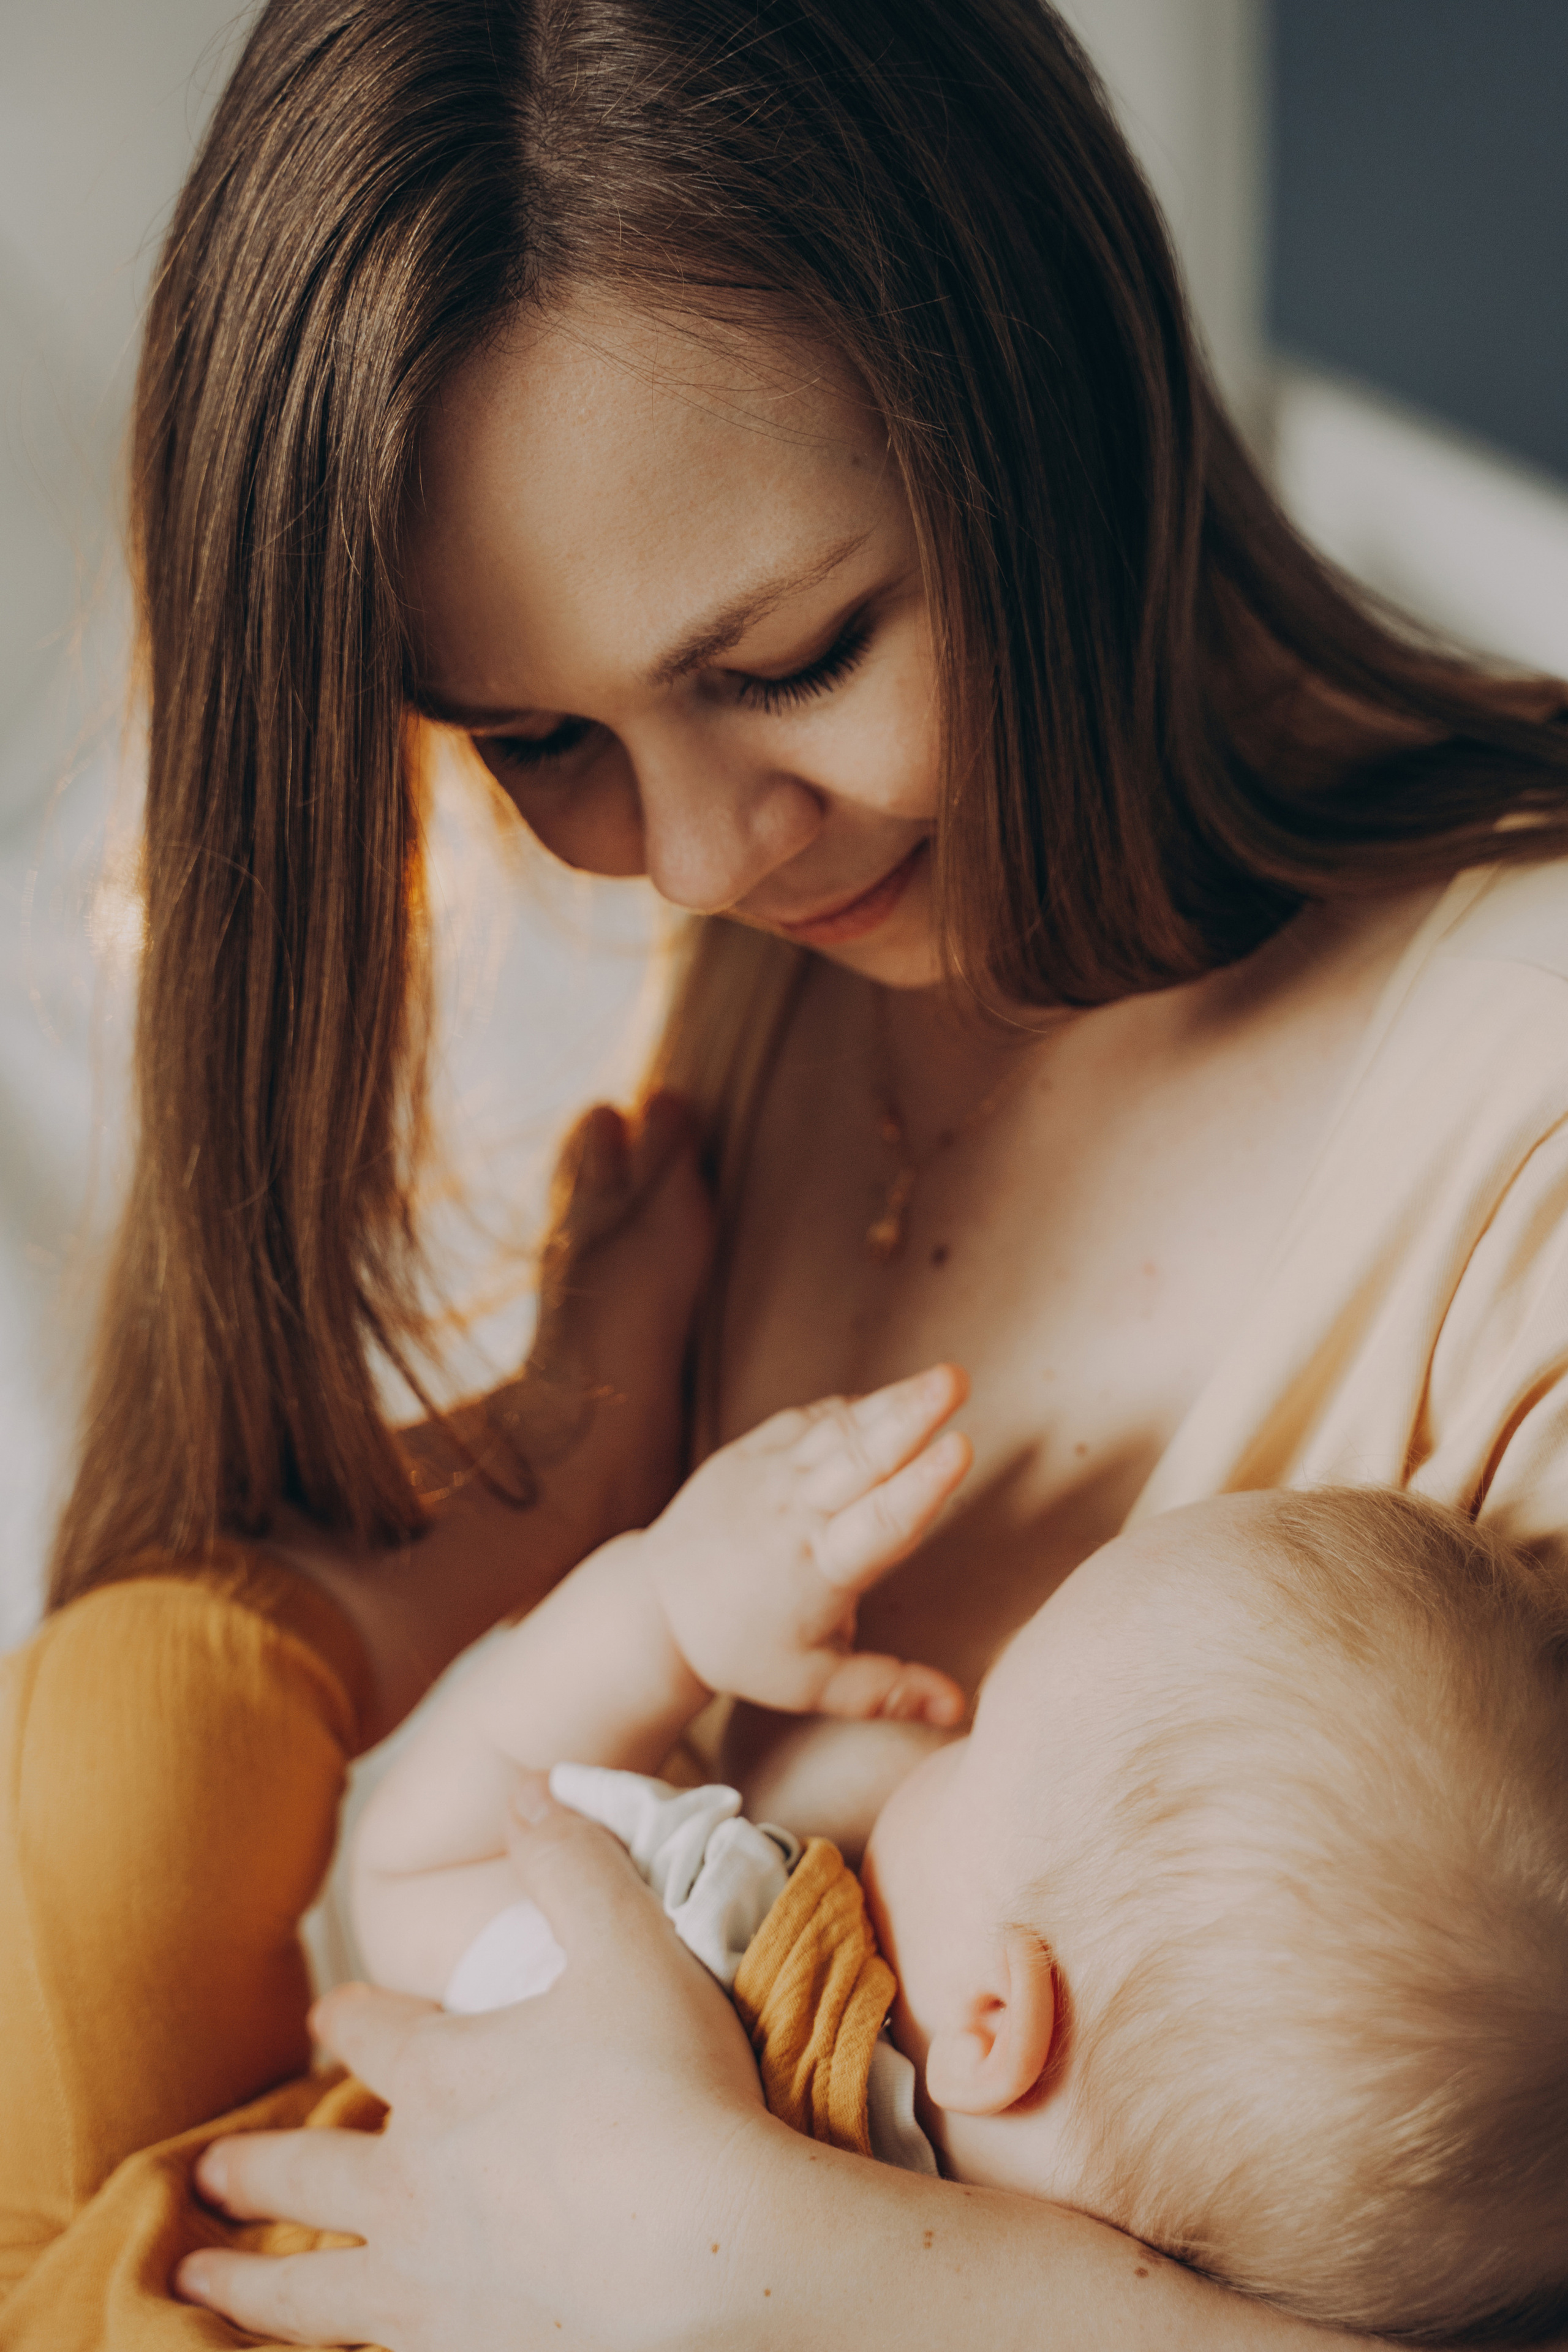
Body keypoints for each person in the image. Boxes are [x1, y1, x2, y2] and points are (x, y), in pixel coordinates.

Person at [4, 0, 1568, 2342]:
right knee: (136, 1708)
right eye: (539, 737)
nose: (696, 862)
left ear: (1050, 376)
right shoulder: (821, 936)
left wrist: (770, 2273)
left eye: (795, 658)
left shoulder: (1520, 1104)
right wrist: (566, 1500)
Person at [353, 1373, 1568, 2344]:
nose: (936, 1727)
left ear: (993, 2017)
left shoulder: (741, 1989)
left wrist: (662, 1613)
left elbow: (415, 1868)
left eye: (982, 1736)